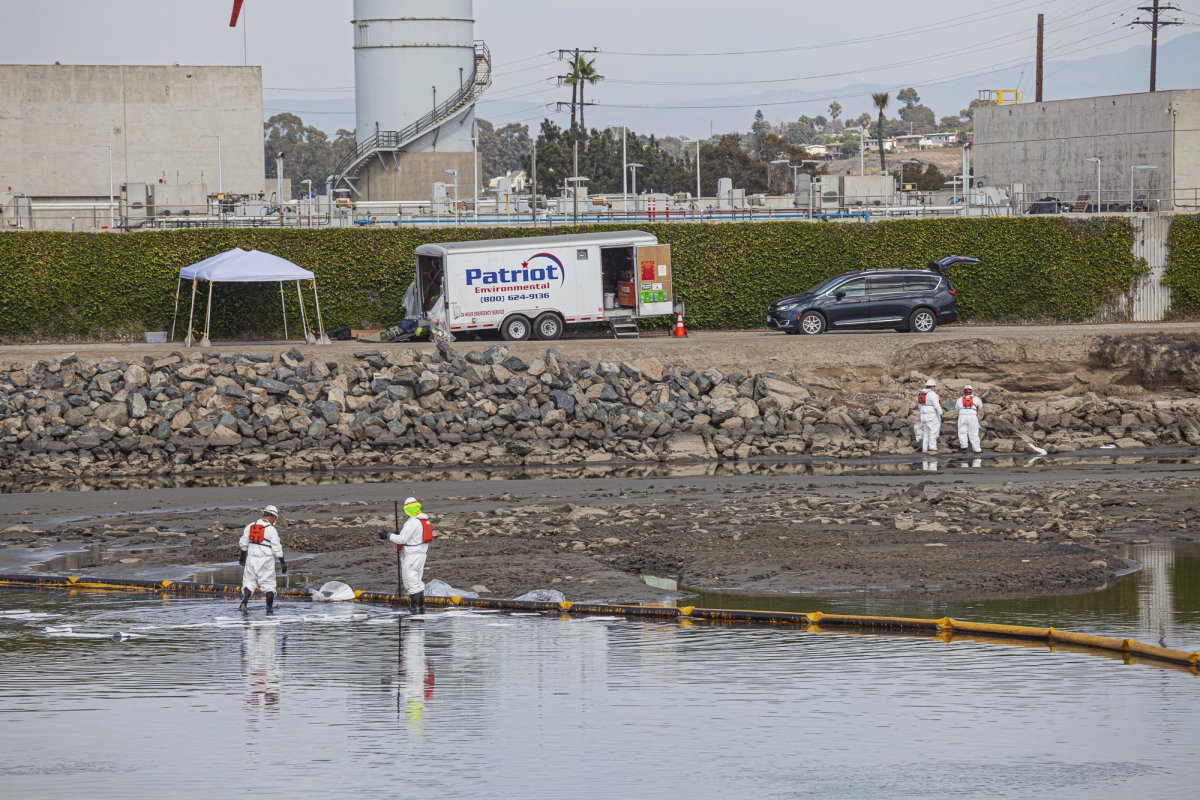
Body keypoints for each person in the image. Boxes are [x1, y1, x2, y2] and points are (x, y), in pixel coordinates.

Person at [379, 497, 431, 615]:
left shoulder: (412, 522)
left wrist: (388, 535)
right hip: (421, 555)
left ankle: (416, 610)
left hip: (412, 556)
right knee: (417, 582)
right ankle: (421, 609)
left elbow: (402, 539)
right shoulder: (424, 520)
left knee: (411, 583)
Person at [238, 505, 287, 613]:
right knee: (269, 584)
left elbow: (243, 543)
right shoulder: (271, 530)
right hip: (266, 561)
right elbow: (276, 547)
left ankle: (244, 603)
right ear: (273, 517)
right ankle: (269, 609)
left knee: (249, 582)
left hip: (251, 559)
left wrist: (242, 557)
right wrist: (282, 562)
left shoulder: (250, 526)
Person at [955, 384, 984, 453]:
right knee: (974, 433)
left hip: (962, 416)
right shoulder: (976, 399)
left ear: (964, 391)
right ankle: (977, 449)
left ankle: (964, 447)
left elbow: (956, 409)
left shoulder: (959, 399)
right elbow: (980, 407)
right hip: (972, 416)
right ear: (971, 391)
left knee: (962, 432)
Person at [917, 378, 943, 454]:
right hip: (931, 414)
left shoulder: (922, 393)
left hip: (923, 413)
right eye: (934, 386)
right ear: (932, 386)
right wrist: (941, 413)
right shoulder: (932, 394)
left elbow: (919, 405)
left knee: (926, 431)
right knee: (933, 431)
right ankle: (932, 448)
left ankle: (924, 449)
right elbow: (936, 405)